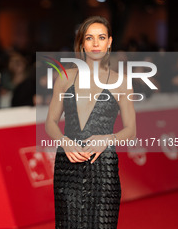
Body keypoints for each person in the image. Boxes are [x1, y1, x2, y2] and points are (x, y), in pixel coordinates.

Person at [45, 16, 136, 228]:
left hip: (104, 168)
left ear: (110, 42)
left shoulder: (121, 82)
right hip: (68, 166)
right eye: (90, 38)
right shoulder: (66, 77)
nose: (96, 43)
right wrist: (64, 141)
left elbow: (131, 130)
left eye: (101, 37)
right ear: (82, 43)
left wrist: (108, 138)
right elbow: (50, 121)